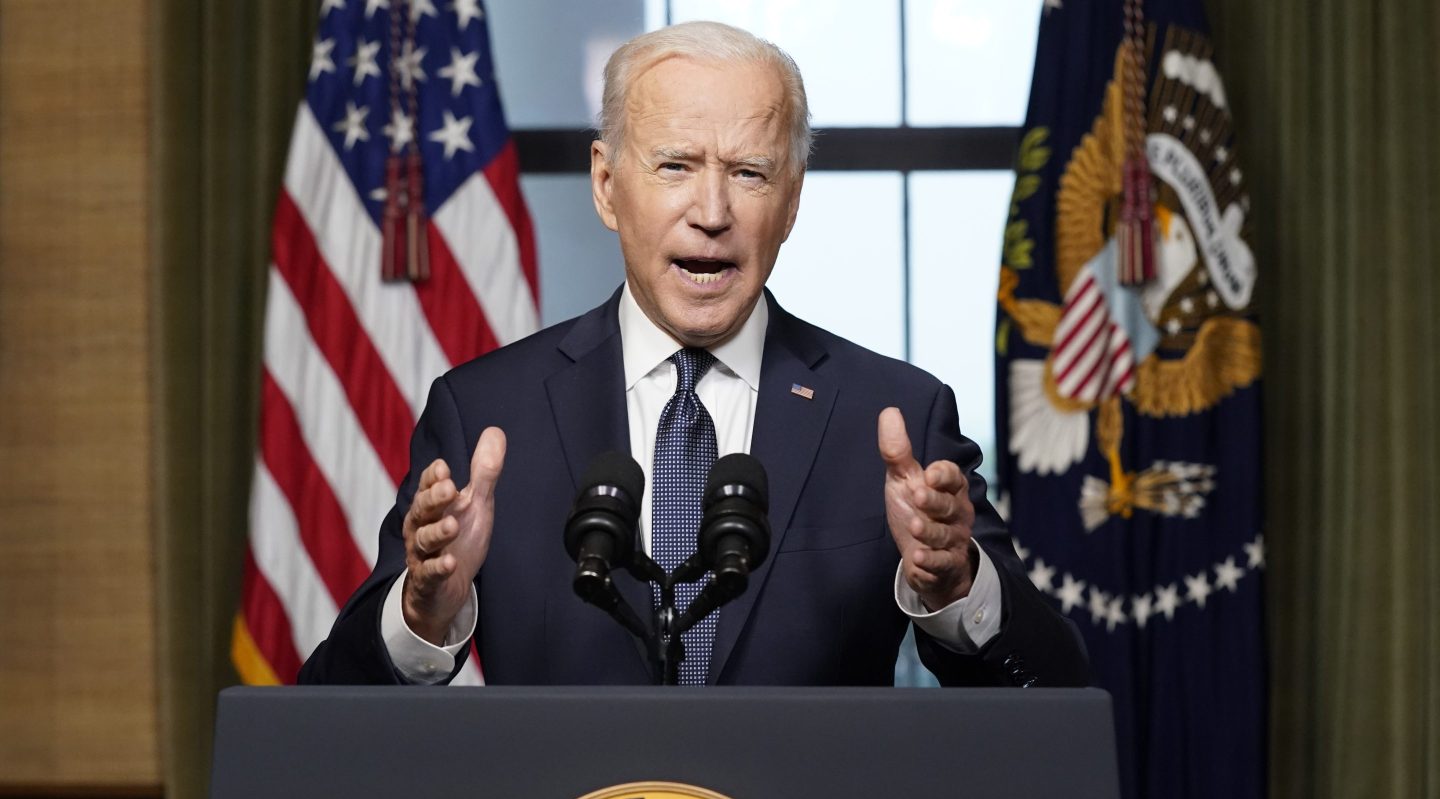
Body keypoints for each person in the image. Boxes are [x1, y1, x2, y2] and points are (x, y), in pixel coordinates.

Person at [299, 21, 1088, 687]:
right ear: (607, 186)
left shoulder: (892, 419)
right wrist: (423, 611)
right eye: (675, 166)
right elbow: (334, 704)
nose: (711, 212)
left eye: (749, 173)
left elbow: (1055, 685)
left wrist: (957, 587)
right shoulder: (489, 415)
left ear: (792, 201)